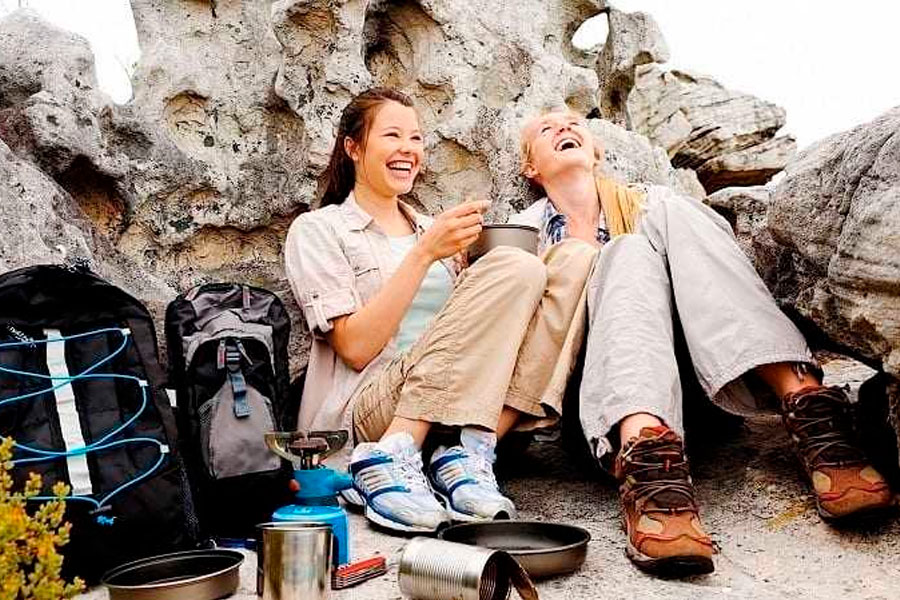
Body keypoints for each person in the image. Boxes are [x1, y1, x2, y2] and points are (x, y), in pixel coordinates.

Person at [511, 108, 894, 576]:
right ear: (531, 168)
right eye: (546, 130)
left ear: (597, 151)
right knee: (625, 251)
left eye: (573, 124)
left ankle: (810, 410)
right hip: (601, 411)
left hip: (706, 387)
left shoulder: (657, 207)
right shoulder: (520, 236)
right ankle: (647, 462)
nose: (564, 129)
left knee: (674, 210)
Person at [284, 89, 598, 533]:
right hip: (372, 409)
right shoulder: (319, 230)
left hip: (462, 406)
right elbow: (354, 347)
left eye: (415, 138)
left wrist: (470, 265)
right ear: (353, 148)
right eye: (392, 135)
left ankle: (471, 452)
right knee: (513, 265)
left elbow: (473, 331)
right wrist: (424, 256)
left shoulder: (435, 229)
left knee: (573, 260)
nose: (408, 150)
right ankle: (390, 455)